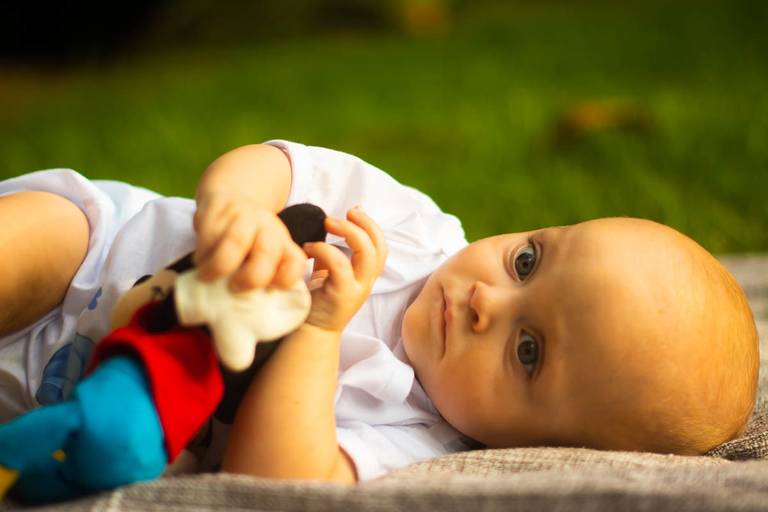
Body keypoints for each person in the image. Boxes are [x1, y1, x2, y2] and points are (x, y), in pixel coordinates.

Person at [0, 141, 759, 486]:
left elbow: (276, 475)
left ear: (544, 443)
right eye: (527, 262)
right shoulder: (411, 228)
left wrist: (320, 332)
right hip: (93, 258)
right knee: (38, 239)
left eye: (528, 351)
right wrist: (239, 211)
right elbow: (275, 162)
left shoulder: (422, 440)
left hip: (74, 403)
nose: (486, 301)